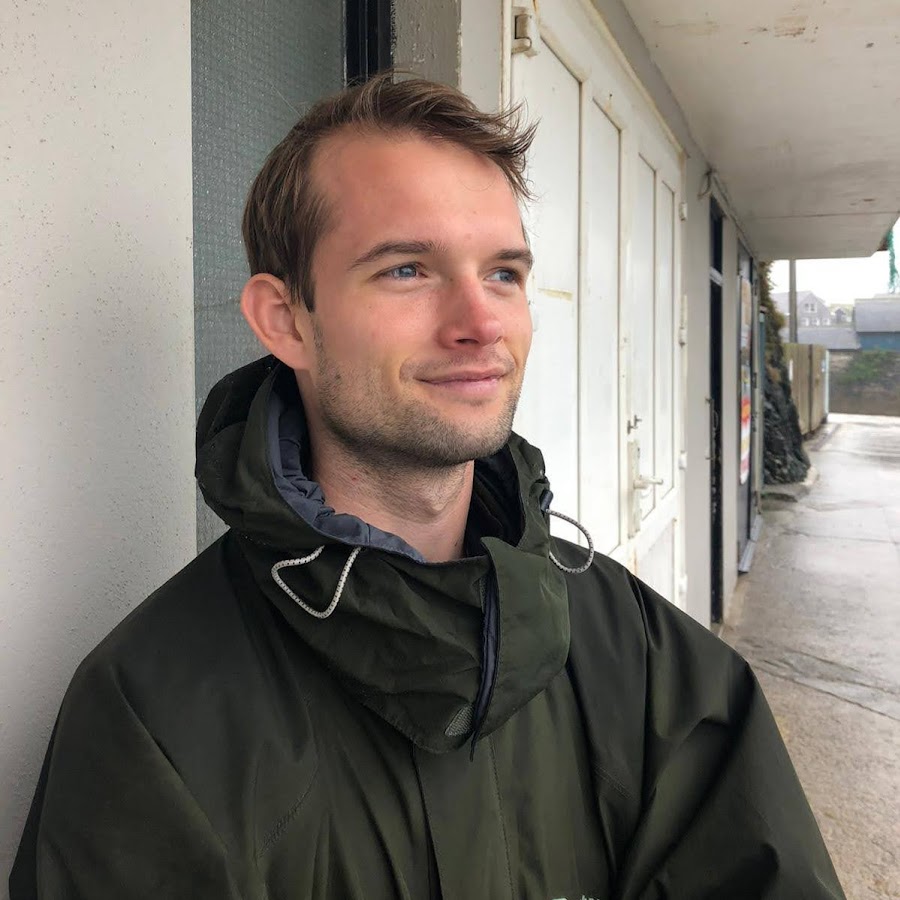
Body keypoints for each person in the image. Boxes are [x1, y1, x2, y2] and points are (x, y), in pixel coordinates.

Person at [11, 73, 844, 900]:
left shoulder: (639, 651)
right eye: (408, 269)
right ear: (286, 321)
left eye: (504, 273)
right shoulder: (154, 712)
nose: (481, 323)